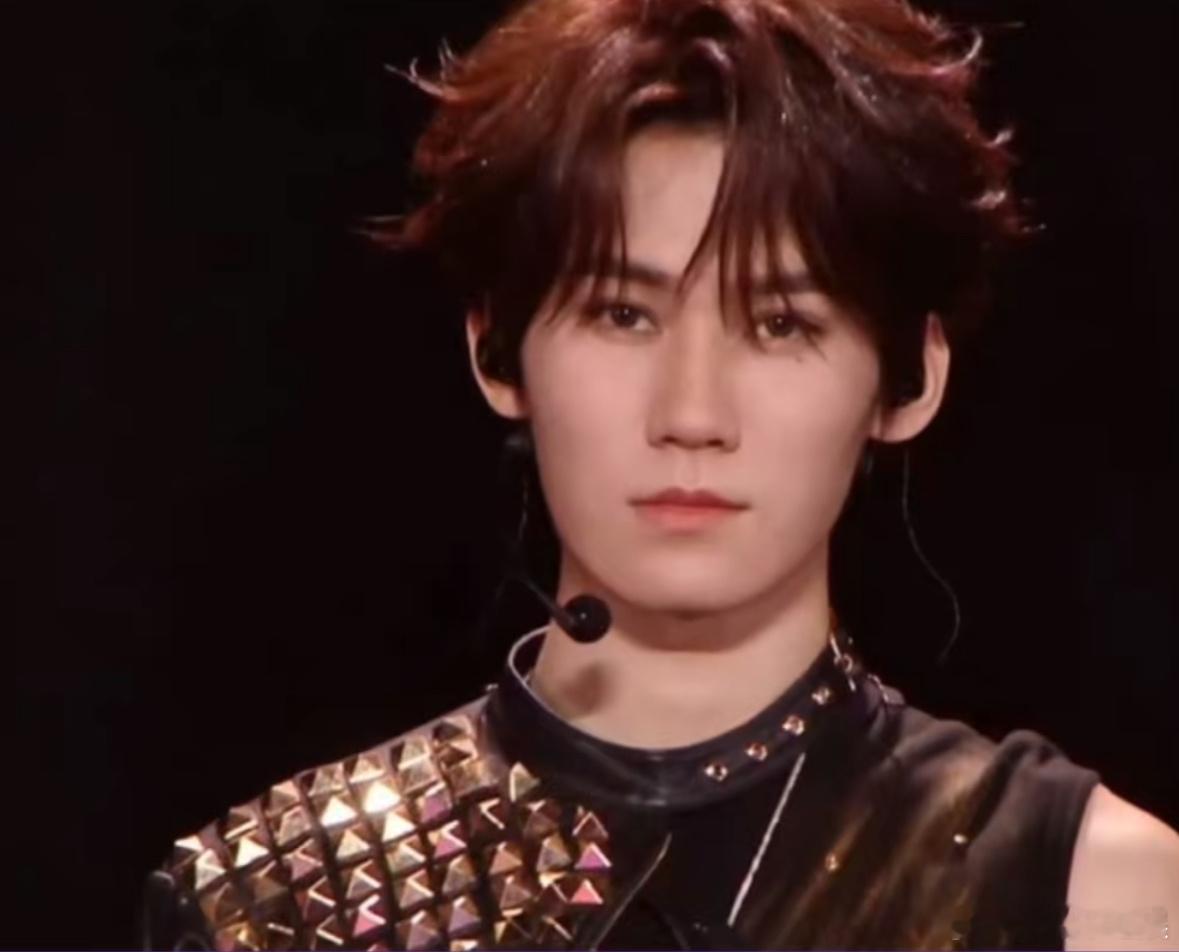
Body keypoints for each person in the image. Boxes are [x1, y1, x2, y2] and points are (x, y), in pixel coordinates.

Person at [141, 0, 1179, 948]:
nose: (691, 414)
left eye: (779, 323)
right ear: (496, 350)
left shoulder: (1094, 893)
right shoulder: (274, 904)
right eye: (622, 314)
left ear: (909, 378)